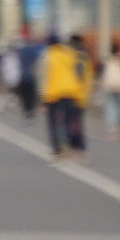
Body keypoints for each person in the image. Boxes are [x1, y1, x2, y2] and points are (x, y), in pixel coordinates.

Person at [39, 31, 90, 159]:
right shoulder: (69, 54)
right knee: (69, 120)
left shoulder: (47, 55)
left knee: (53, 122)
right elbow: (78, 73)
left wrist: (43, 98)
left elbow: (44, 77)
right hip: (71, 91)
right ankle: (71, 146)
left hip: (53, 93)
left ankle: (58, 149)